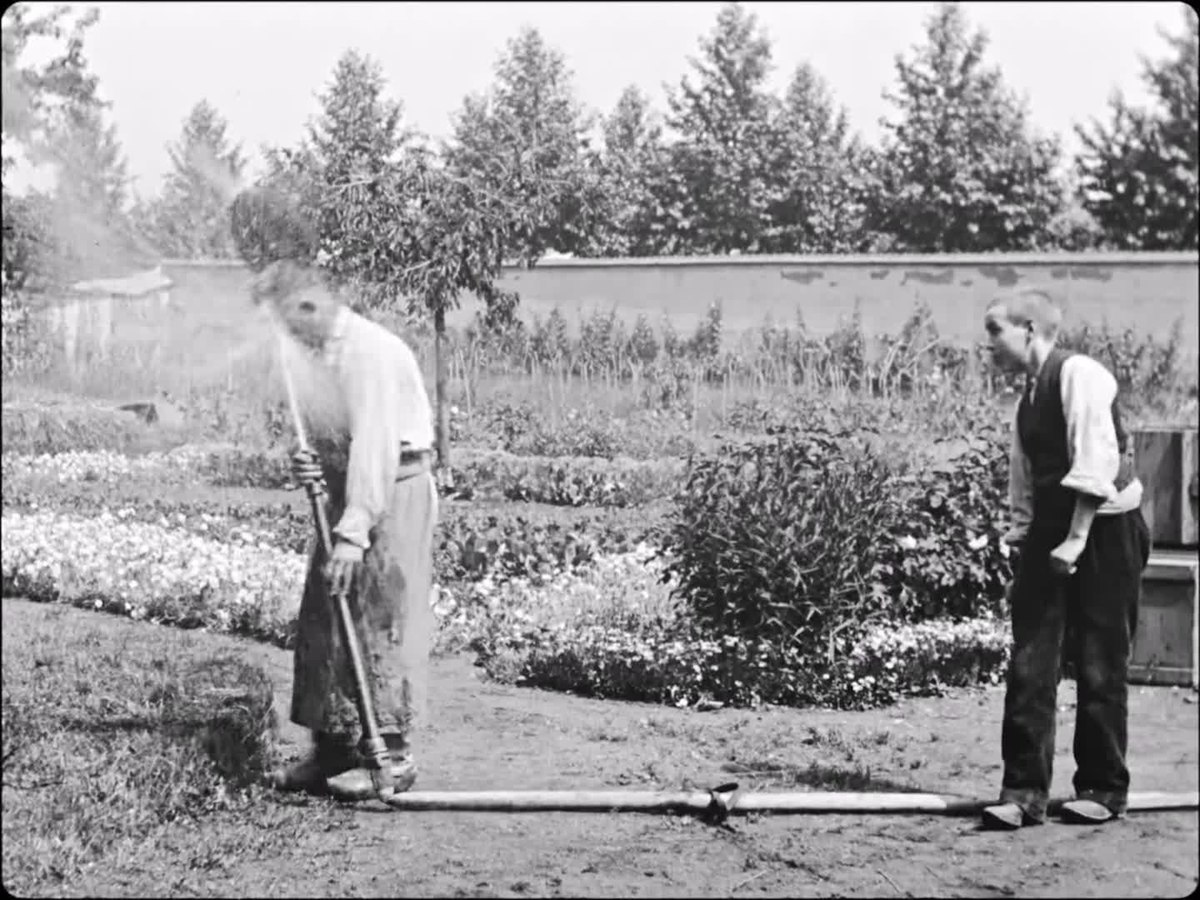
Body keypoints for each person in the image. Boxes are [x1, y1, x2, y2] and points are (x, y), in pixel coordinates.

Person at [252, 255, 438, 802]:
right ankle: (329, 752)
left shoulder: (369, 354)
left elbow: (376, 445)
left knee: (379, 617)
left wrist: (355, 532)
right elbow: (328, 430)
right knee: (324, 614)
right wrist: (307, 459)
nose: (283, 332)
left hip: (390, 487)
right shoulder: (316, 352)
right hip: (346, 485)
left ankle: (393, 757)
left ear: (311, 304)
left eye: (287, 319)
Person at [981, 286, 1150, 830]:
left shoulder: (1081, 375)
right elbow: (1024, 482)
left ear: (1028, 329)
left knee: (1101, 660)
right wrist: (1025, 543)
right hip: (1053, 532)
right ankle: (1023, 791)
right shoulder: (1027, 399)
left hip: (1104, 531)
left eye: (995, 331)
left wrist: (1075, 541)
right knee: (1031, 660)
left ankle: (1103, 788)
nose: (988, 345)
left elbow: (1096, 459)